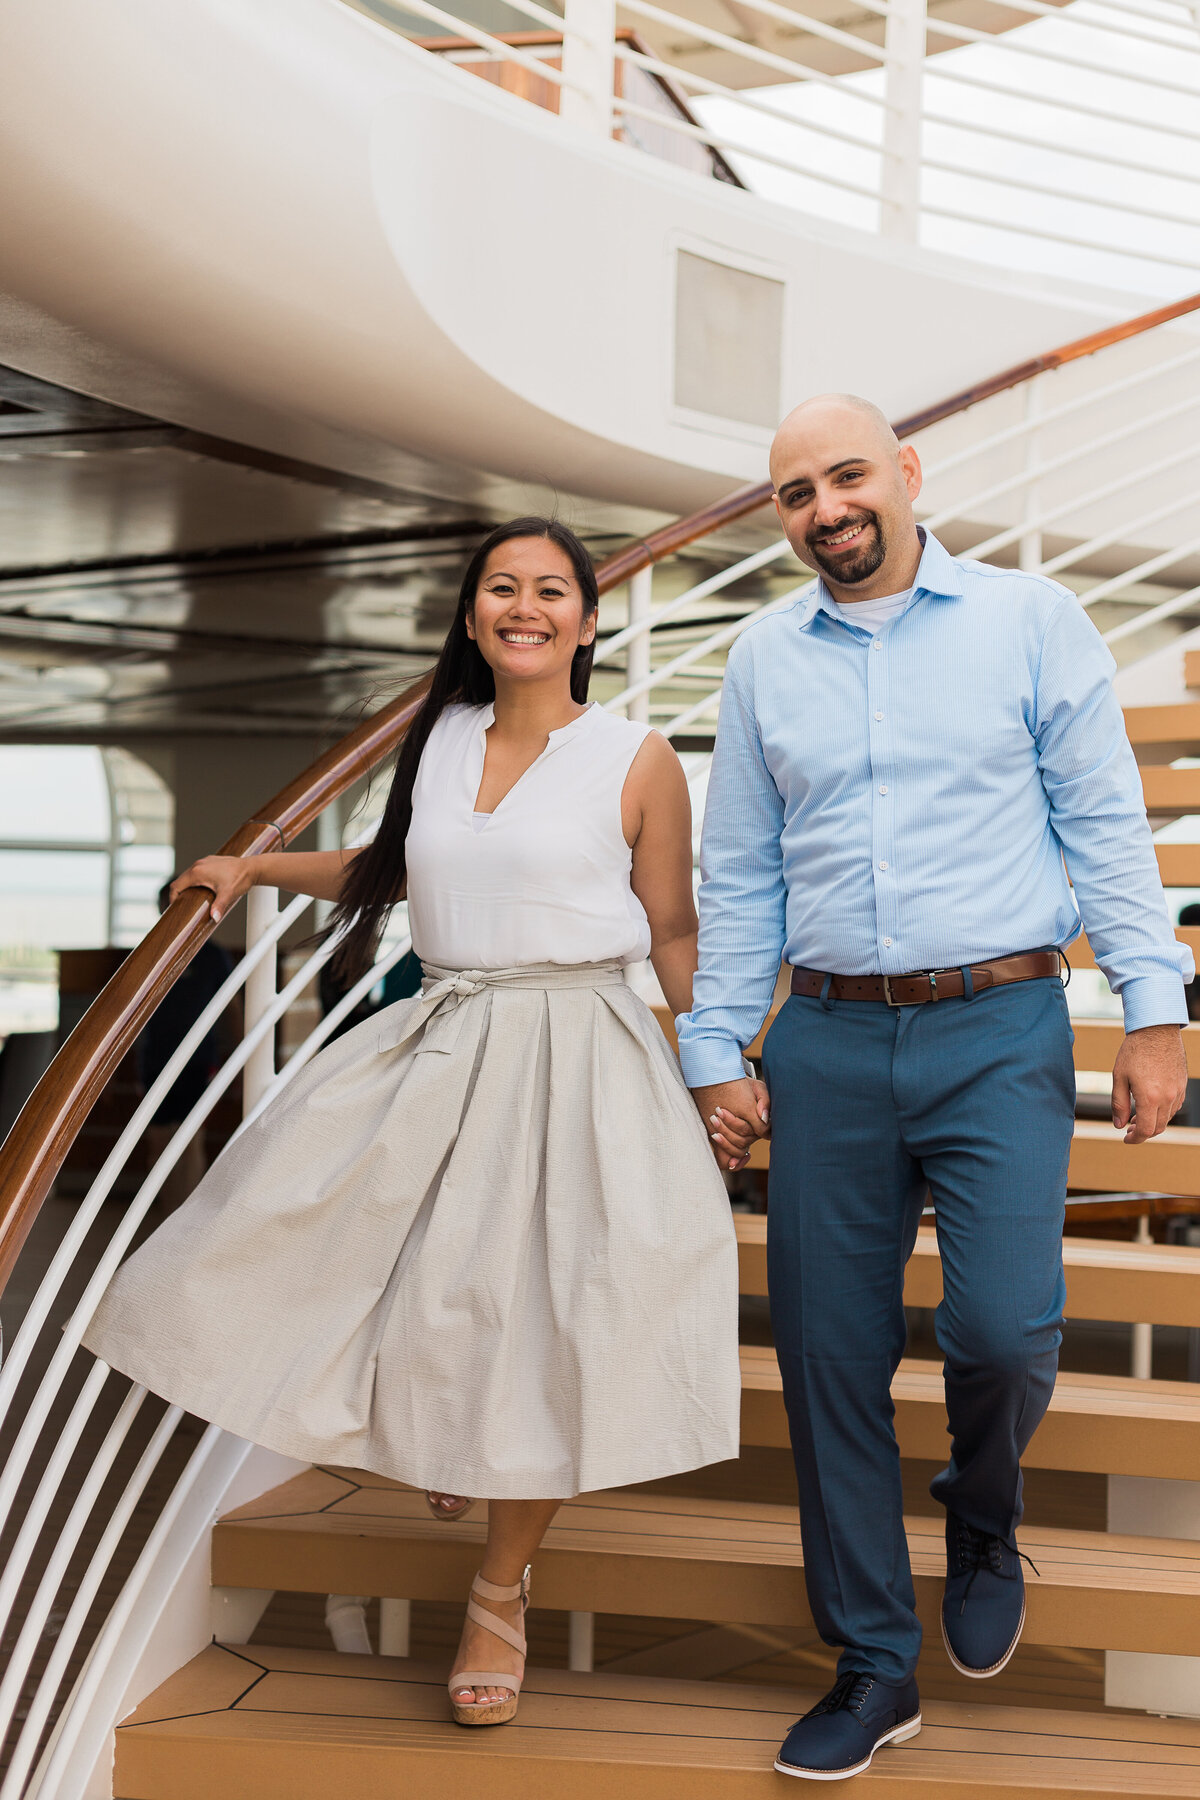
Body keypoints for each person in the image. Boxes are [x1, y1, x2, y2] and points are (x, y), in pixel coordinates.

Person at [84, 517, 752, 1728]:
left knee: (554, 1313)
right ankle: (455, 1442)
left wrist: (717, 1070)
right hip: (443, 1036)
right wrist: (254, 869)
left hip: (583, 1050)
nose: (526, 606)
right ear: (471, 615)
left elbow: (672, 933)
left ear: (589, 623)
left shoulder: (637, 756)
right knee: (321, 1234)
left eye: (553, 590)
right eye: (502, 587)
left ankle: (501, 1587)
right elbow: (392, 868)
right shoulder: (438, 738)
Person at [677, 397, 1191, 1782]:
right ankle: (872, 1665)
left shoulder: (1033, 620)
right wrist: (715, 1042)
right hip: (828, 1045)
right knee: (827, 1358)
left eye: (846, 476)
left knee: (1008, 1332)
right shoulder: (762, 657)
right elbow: (740, 874)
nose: (825, 508)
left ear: (907, 473)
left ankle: (980, 1503)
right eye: (794, 493)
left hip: (1001, 1026)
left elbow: (1103, 825)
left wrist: (1156, 1012)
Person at [138, 882, 235, 1212]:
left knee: (190, 1143)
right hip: (155, 1061)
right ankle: (162, 1213)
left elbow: (231, 1009)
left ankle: (186, 1216)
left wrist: (236, 1056)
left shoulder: (212, 956)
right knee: (158, 1140)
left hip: (198, 1062)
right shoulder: (150, 952)